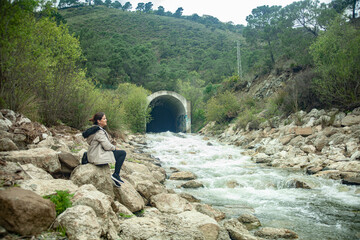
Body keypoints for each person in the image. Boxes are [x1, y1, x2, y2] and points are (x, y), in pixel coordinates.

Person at [82, 112, 126, 187]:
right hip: (96, 156)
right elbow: (107, 146)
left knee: (117, 152)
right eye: (104, 118)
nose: (106, 120)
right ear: (99, 121)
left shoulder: (94, 129)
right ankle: (116, 175)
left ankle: (115, 178)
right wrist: (115, 148)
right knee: (122, 153)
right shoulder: (99, 131)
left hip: (93, 154)